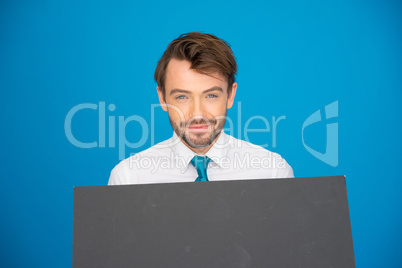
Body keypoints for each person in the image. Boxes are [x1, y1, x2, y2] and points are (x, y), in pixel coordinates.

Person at [108, 32, 293, 185]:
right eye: (182, 97)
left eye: (211, 95)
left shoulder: (273, 172)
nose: (197, 114)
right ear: (162, 98)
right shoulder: (128, 178)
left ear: (230, 95)